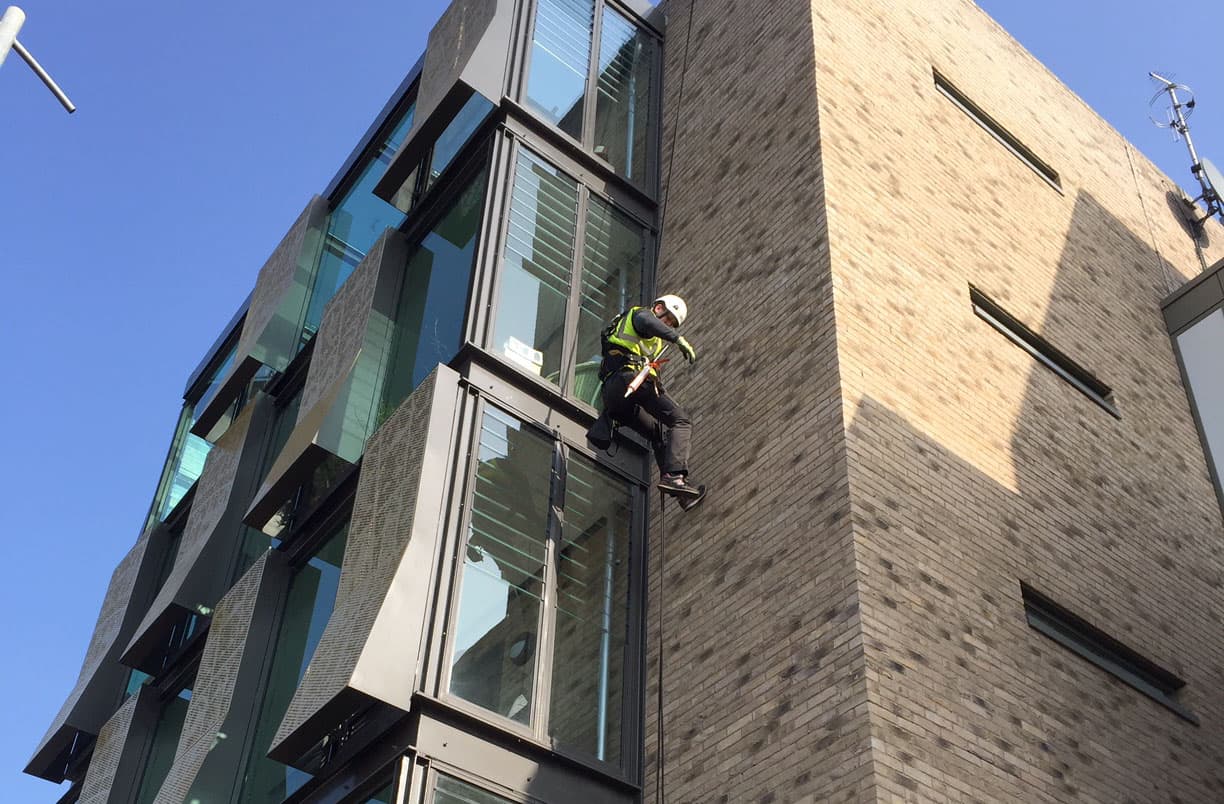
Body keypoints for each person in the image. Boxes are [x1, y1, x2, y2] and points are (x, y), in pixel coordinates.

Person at [586, 294, 706, 510]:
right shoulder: (640, 315)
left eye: (671, 323)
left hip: (618, 400)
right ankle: (675, 477)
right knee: (682, 421)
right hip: (627, 380)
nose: (667, 324)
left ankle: (679, 491)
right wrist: (677, 339)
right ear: (658, 308)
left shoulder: (655, 342)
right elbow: (647, 323)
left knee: (659, 432)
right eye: (667, 318)